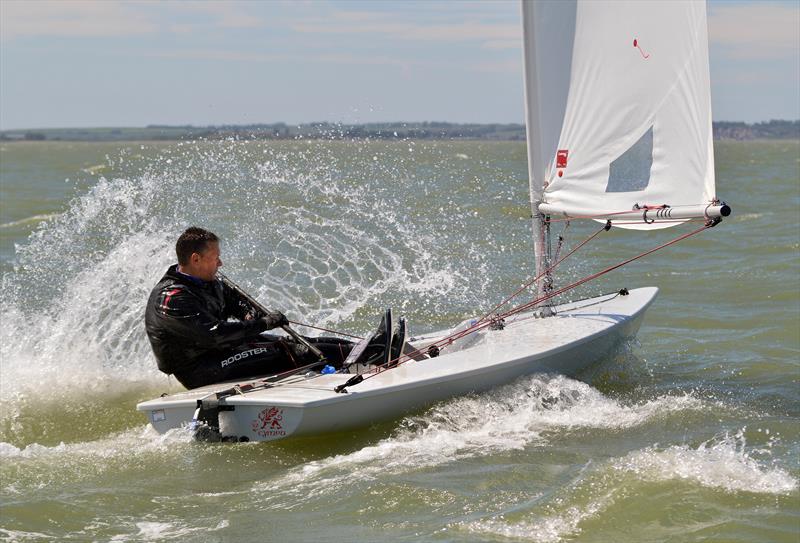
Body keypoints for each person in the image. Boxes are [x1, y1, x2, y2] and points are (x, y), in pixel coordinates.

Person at [145, 226, 358, 389]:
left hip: (221, 354)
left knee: (292, 341)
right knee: (283, 350)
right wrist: (262, 324)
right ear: (195, 259)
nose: (220, 264)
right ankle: (367, 356)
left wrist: (251, 315)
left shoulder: (210, 282)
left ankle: (365, 349)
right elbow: (215, 335)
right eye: (216, 258)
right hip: (200, 369)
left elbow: (239, 305)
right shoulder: (172, 298)